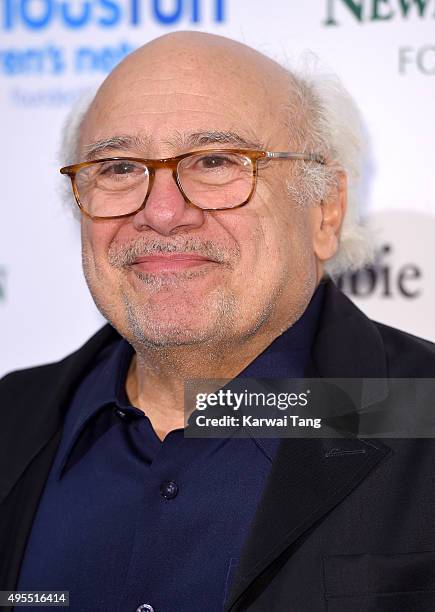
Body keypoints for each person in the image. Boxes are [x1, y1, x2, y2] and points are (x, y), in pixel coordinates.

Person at [1, 31, 435, 612]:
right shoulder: (12, 420)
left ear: (325, 209)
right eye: (120, 168)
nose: (160, 212)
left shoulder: (421, 412)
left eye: (215, 161)